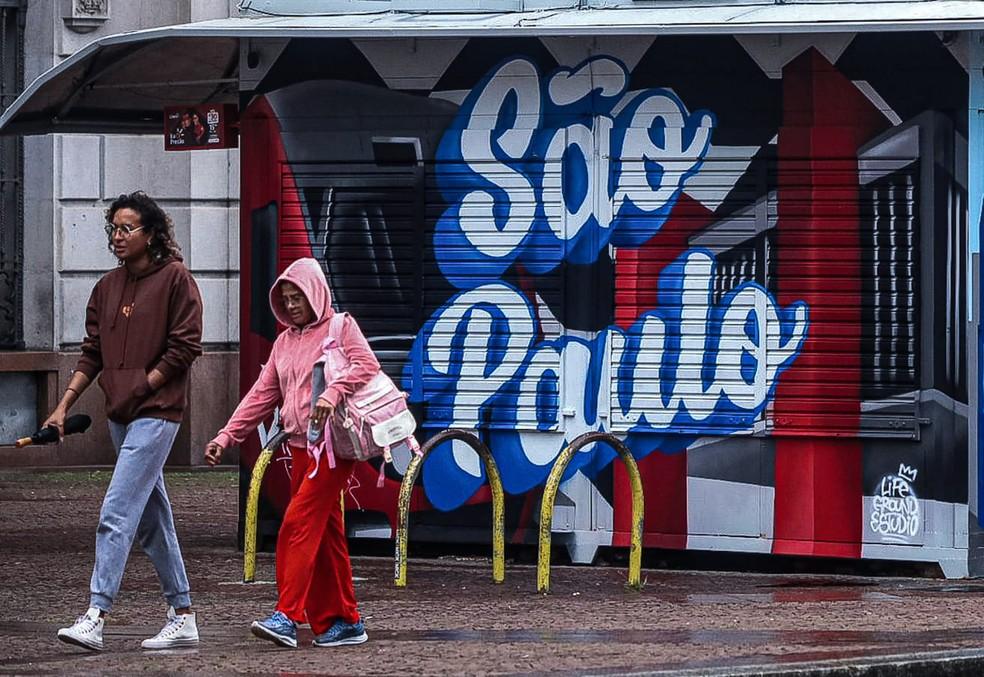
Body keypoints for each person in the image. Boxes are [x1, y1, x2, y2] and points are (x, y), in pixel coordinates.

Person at [48, 192, 203, 652]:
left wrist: (143, 386)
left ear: (151, 233)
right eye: (112, 228)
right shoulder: (106, 287)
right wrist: (62, 406)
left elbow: (185, 346)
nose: (117, 236)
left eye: (126, 228)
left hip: (158, 413)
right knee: (153, 519)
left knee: (116, 513)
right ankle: (183, 614)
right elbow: (92, 352)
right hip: (120, 415)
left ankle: (96, 615)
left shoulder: (176, 279)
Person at [205, 257, 377, 649]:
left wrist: (333, 393)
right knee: (327, 535)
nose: (291, 304)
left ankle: (288, 615)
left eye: (297, 296)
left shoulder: (340, 327)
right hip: (301, 448)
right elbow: (261, 394)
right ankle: (346, 621)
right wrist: (227, 436)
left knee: (297, 526)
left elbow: (367, 366)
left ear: (314, 293)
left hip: (332, 448)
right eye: (285, 298)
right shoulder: (284, 342)